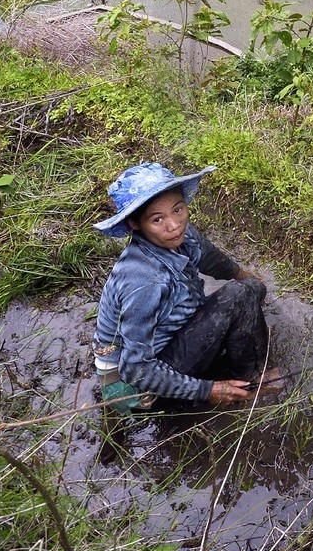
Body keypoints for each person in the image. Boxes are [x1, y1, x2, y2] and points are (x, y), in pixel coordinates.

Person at [91, 162, 278, 410]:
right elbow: (136, 369)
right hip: (136, 388)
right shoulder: (146, 281)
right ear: (136, 224)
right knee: (240, 296)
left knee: (252, 290)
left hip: (163, 349)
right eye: (157, 219)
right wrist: (207, 390)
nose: (173, 225)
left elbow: (211, 257)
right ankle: (250, 383)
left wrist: (245, 275)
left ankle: (229, 373)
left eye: (178, 210)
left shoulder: (179, 233)